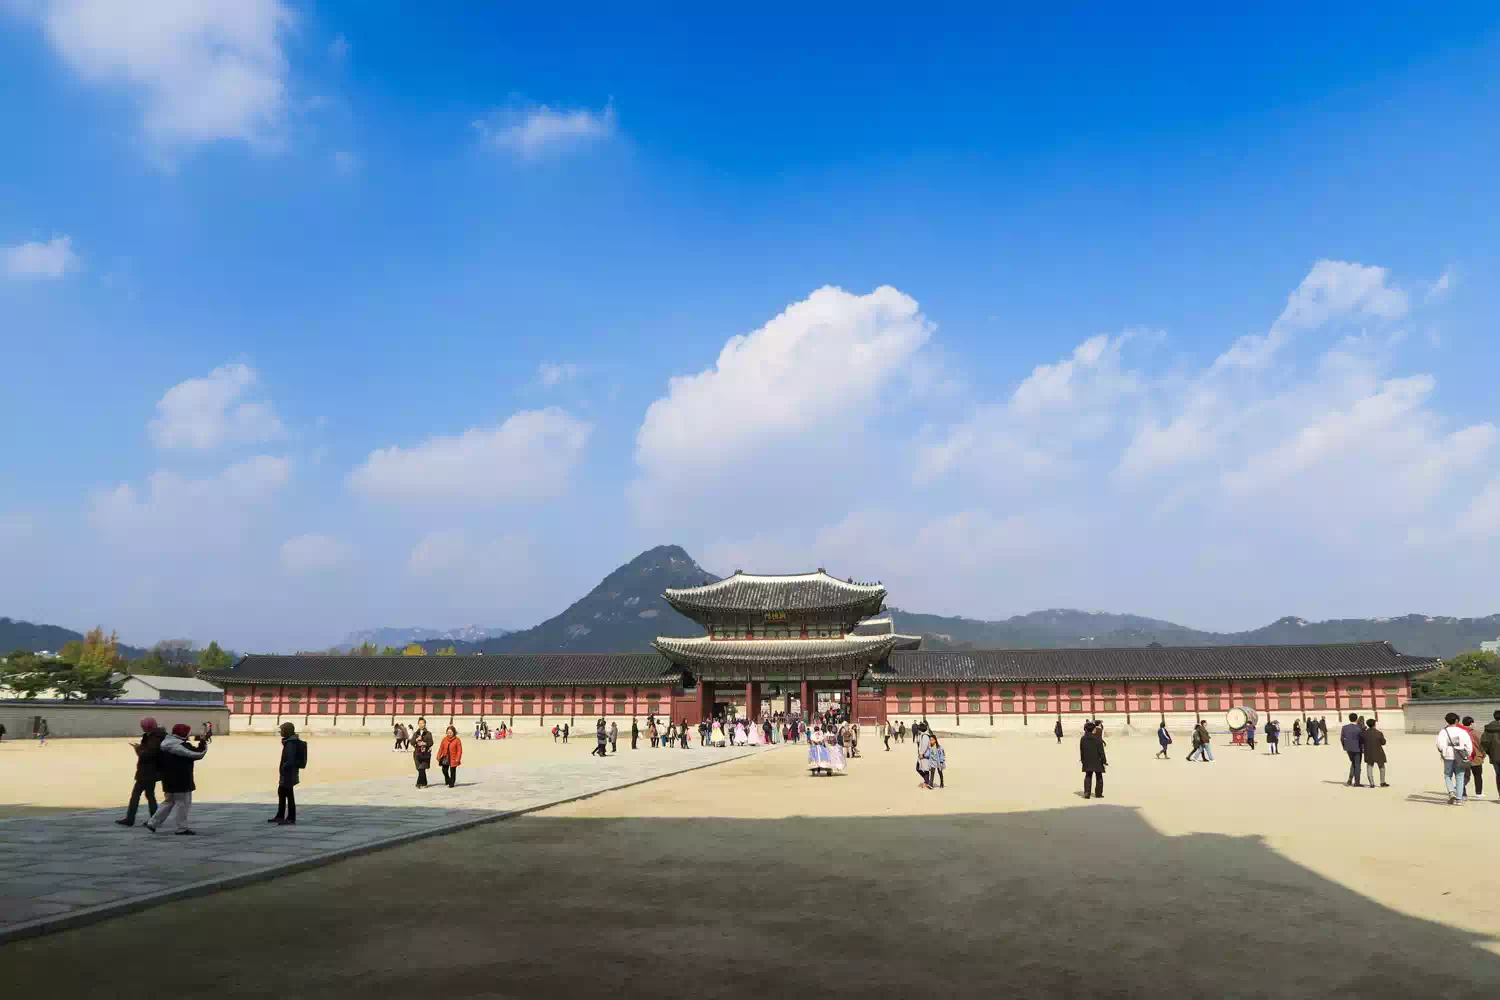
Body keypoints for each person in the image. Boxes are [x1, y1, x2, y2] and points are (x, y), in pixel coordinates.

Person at [146, 724, 207, 835]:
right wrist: (203, 742)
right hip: (182, 780)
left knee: (168, 802)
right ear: (183, 734)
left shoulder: (165, 743)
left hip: (168, 780)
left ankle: (152, 822)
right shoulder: (181, 746)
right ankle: (182, 828)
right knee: (183, 804)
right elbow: (199, 753)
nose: (189, 735)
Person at [117, 717, 165, 827]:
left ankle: (130, 819)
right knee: (149, 795)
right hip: (150, 771)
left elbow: (147, 755)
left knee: (136, 795)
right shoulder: (155, 736)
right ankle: (154, 819)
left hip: (147, 771)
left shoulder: (155, 737)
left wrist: (138, 749)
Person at [270, 722, 307, 824]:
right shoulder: (290, 741)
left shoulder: (291, 743)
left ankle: (290, 817)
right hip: (289, 772)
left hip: (288, 773)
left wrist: (283, 768)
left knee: (288, 794)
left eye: (282, 730)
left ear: (287, 731)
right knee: (282, 793)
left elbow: (290, 760)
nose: (281, 732)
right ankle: (280, 815)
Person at [1436, 712, 1474, 805]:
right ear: (1457, 720)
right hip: (1460, 756)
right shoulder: (1462, 731)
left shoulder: (1443, 731)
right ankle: (1459, 799)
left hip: (1448, 756)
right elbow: (1469, 745)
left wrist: (1443, 752)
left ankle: (1451, 792)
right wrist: (1467, 755)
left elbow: (1439, 745)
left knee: (1447, 775)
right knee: (1460, 776)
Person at [1080, 721, 1107, 799]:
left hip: (1087, 760)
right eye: (1094, 728)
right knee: (1099, 776)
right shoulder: (1097, 738)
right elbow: (1101, 751)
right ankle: (1098, 793)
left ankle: (1087, 793)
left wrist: (1083, 760)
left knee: (1088, 776)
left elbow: (1082, 751)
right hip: (1097, 760)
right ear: (1092, 729)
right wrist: (1104, 761)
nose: (1095, 729)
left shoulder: (1083, 738)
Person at [1461, 716, 1485, 798]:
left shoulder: (1460, 732)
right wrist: (1483, 755)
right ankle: (1479, 793)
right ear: (1471, 723)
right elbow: (1482, 746)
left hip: (1463, 757)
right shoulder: (1477, 733)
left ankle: (1463, 793)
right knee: (1478, 775)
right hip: (1476, 757)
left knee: (1463, 776)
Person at [1361, 718, 1387, 788]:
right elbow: (1383, 742)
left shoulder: (1364, 733)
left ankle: (1371, 783)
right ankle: (1382, 782)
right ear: (1375, 724)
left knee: (1369, 767)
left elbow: (1361, 741)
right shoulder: (1379, 733)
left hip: (1368, 752)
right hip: (1378, 752)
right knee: (1381, 767)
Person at [1340, 713, 1364, 787]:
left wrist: (1344, 746)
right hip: (1357, 748)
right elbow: (1362, 739)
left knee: (1353, 763)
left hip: (1348, 748)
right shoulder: (1359, 728)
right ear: (1356, 719)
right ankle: (1357, 782)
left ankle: (1350, 780)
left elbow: (1341, 738)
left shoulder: (1344, 727)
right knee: (1357, 765)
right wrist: (1363, 748)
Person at [1482, 711, 1500, 800]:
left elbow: (1484, 742)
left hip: (1495, 756)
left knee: (1498, 775)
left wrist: (1489, 752)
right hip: (1494, 755)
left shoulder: (1489, 728)